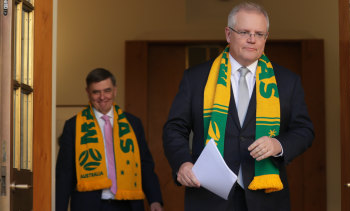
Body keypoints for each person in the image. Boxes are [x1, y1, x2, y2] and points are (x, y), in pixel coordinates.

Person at [163, 2, 314, 211]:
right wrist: (183, 163)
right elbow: (174, 129)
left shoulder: (288, 81)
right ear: (228, 34)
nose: (252, 39)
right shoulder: (196, 78)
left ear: (266, 38)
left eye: (259, 34)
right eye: (244, 32)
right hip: (208, 197)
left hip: (266, 199)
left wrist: (278, 145)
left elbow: (304, 131)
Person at [56, 68, 163, 211]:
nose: (102, 97)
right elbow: (65, 173)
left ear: (115, 91)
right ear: (88, 92)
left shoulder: (133, 123)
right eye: (96, 92)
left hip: (128, 204)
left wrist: (155, 200)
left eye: (107, 90)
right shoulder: (73, 126)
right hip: (89, 205)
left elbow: (145, 165)